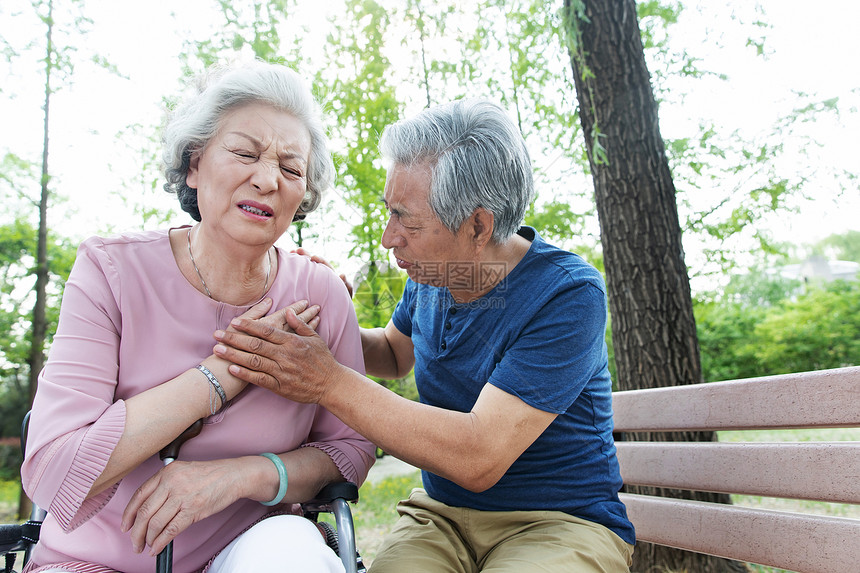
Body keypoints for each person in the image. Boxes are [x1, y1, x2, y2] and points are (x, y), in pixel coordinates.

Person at [214, 98, 636, 572]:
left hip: (560, 522)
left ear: (478, 225)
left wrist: (328, 382)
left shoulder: (567, 294)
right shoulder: (434, 273)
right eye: (389, 213)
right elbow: (394, 355)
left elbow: (479, 456)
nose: (388, 238)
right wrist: (329, 316)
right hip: (442, 518)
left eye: (407, 221)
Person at [21, 60, 375, 573]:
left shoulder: (320, 293)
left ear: (303, 195)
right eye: (244, 153)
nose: (267, 179)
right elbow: (54, 472)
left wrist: (242, 476)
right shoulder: (111, 270)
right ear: (193, 164)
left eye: (291, 168)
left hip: (246, 548)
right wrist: (222, 374)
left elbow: (349, 452)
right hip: (92, 561)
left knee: (293, 553)